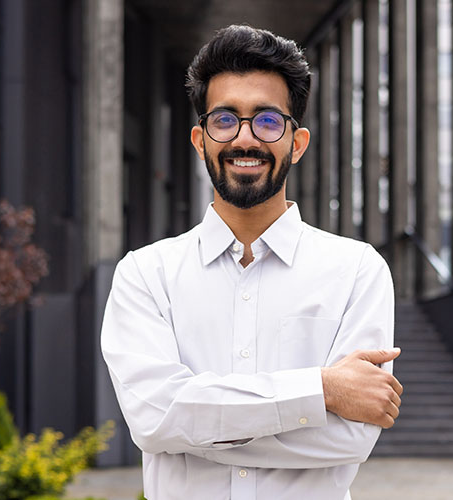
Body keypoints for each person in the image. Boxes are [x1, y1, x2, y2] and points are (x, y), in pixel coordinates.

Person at [101, 24, 402, 500]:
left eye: (267, 120)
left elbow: (351, 438)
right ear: (200, 140)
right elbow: (153, 422)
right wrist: (321, 391)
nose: (245, 139)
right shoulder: (146, 274)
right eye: (225, 119)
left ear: (296, 143)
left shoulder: (358, 271)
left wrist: (195, 425)